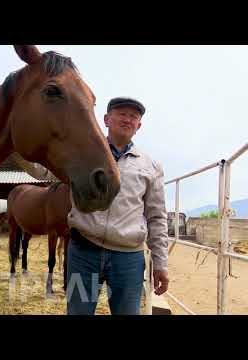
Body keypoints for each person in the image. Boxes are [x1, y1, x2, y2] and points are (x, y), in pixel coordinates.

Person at [66, 97, 169, 315]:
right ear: (106, 119)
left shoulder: (150, 166)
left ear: (138, 126)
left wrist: (160, 263)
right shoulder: (83, 153)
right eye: (121, 113)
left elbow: (157, 217)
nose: (128, 119)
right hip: (84, 251)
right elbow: (45, 168)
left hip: (128, 258)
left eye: (134, 117)